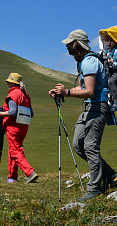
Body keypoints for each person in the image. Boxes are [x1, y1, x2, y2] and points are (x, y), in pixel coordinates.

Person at [49, 29, 117, 201]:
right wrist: (62, 92)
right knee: (78, 144)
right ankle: (110, 175)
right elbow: (83, 88)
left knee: (90, 146)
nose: (67, 46)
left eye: (70, 43)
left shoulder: (89, 62)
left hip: (98, 107)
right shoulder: (83, 62)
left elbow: (90, 91)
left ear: (77, 44)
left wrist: (68, 92)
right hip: (89, 108)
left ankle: (95, 189)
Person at [0, 73, 38, 184]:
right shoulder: (26, 96)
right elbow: (31, 113)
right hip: (24, 126)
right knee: (14, 150)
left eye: (9, 81)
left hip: (13, 126)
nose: (7, 83)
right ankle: (12, 177)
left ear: (14, 83)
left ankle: (30, 172)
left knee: (15, 151)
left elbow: (12, 112)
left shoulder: (13, 94)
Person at [99, 26, 117, 110]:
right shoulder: (106, 52)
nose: (109, 43)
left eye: (111, 40)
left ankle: (116, 101)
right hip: (109, 71)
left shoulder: (116, 51)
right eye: (106, 41)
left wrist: (111, 64)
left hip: (115, 71)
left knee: (111, 81)